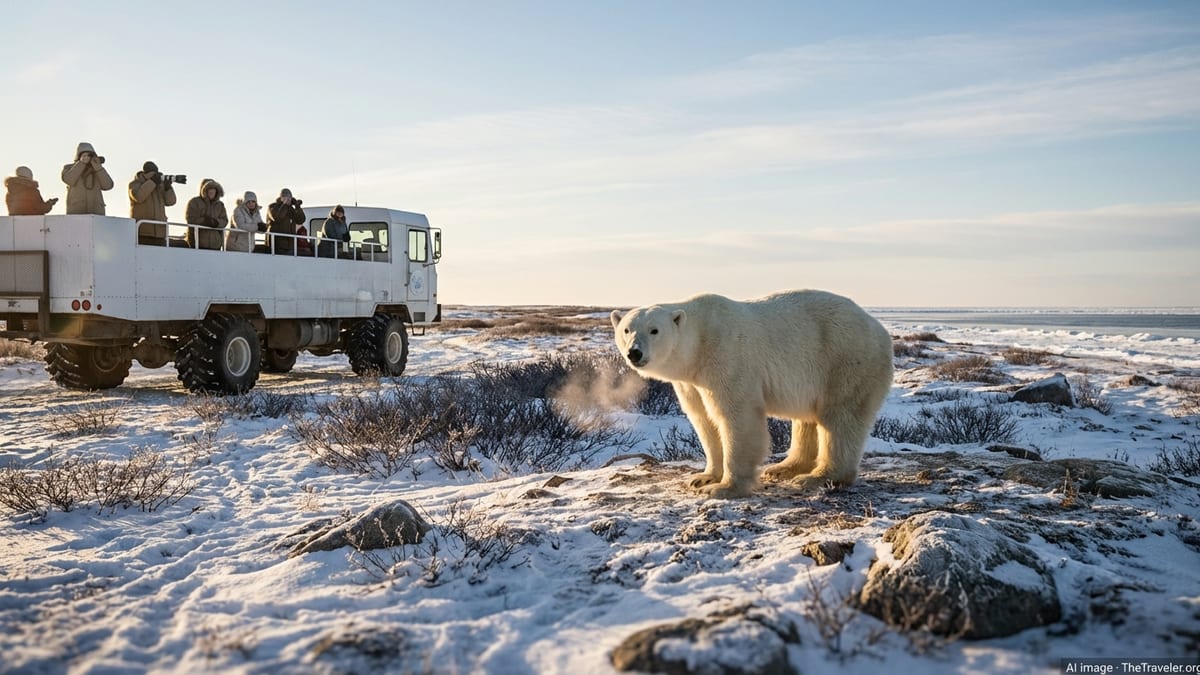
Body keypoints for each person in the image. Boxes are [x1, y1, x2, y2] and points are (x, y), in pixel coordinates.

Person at [129, 161, 178, 244]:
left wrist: (168, 188)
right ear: (145, 174)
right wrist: (152, 182)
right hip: (143, 232)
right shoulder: (134, 184)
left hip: (160, 233)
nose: (154, 176)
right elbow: (138, 197)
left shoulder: (159, 186)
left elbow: (171, 202)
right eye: (152, 175)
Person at [61, 142, 114, 215]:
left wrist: (98, 168)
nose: (87, 158)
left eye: (89, 155)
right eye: (84, 155)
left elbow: (108, 185)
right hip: (76, 211)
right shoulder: (69, 168)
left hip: (96, 211)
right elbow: (69, 180)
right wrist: (81, 163)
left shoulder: (96, 169)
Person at [185, 179, 228, 250]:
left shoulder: (220, 205)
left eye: (214, 189)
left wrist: (215, 222)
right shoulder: (194, 202)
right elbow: (190, 219)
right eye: (209, 189)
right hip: (198, 243)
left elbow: (225, 220)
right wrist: (204, 221)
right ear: (204, 190)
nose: (212, 191)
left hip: (215, 244)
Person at [266, 188, 306, 255]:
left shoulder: (291, 209)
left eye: (289, 198)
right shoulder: (273, 207)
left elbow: (300, 220)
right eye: (285, 197)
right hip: (277, 245)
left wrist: (297, 207)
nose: (288, 199)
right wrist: (284, 205)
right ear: (281, 198)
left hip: (291, 245)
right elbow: (277, 218)